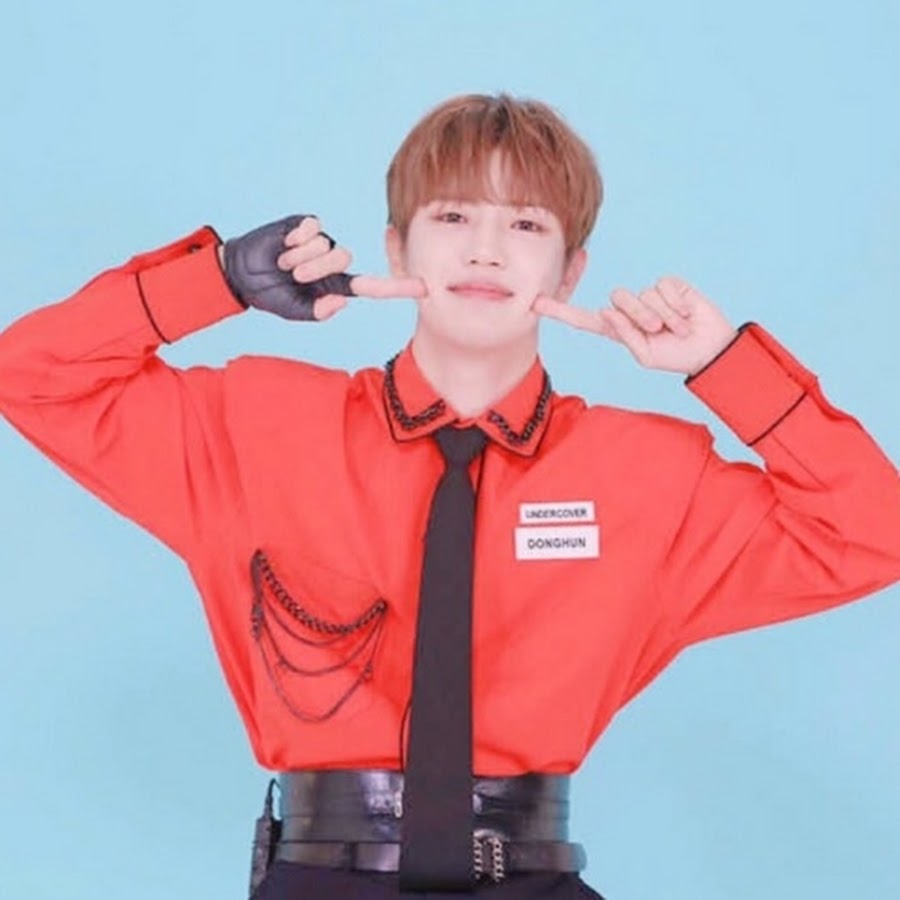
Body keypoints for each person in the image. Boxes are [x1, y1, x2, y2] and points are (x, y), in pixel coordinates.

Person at [1, 92, 899, 900]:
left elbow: (873, 531)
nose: (484, 249)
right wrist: (221, 280)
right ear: (398, 245)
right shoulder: (257, 425)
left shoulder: (650, 475)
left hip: (534, 879)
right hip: (322, 880)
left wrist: (726, 367)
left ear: (570, 270)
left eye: (526, 224)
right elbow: (33, 376)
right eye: (453, 213)